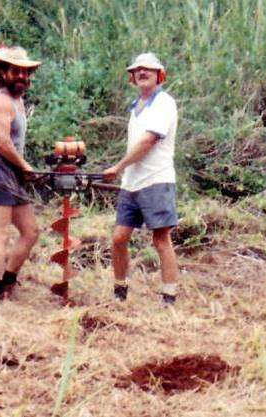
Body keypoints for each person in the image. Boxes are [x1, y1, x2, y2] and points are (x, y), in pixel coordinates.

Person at [104, 53, 179, 305]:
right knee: (118, 238)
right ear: (132, 77)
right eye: (137, 70)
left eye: (148, 69)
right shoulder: (135, 107)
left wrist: (118, 166)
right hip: (132, 183)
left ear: (160, 76)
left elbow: (148, 141)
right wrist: (122, 170)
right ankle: (120, 290)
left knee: (160, 239)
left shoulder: (164, 103)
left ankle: (169, 295)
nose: (142, 73)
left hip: (157, 180)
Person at [0, 46, 41, 303]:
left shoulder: (18, 101)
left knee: (31, 231)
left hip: (12, 177)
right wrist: (25, 165)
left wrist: (23, 170)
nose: (22, 77)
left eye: (25, 72)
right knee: (0, 232)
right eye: (16, 71)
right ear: (3, 72)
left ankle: (8, 282)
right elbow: (2, 144)